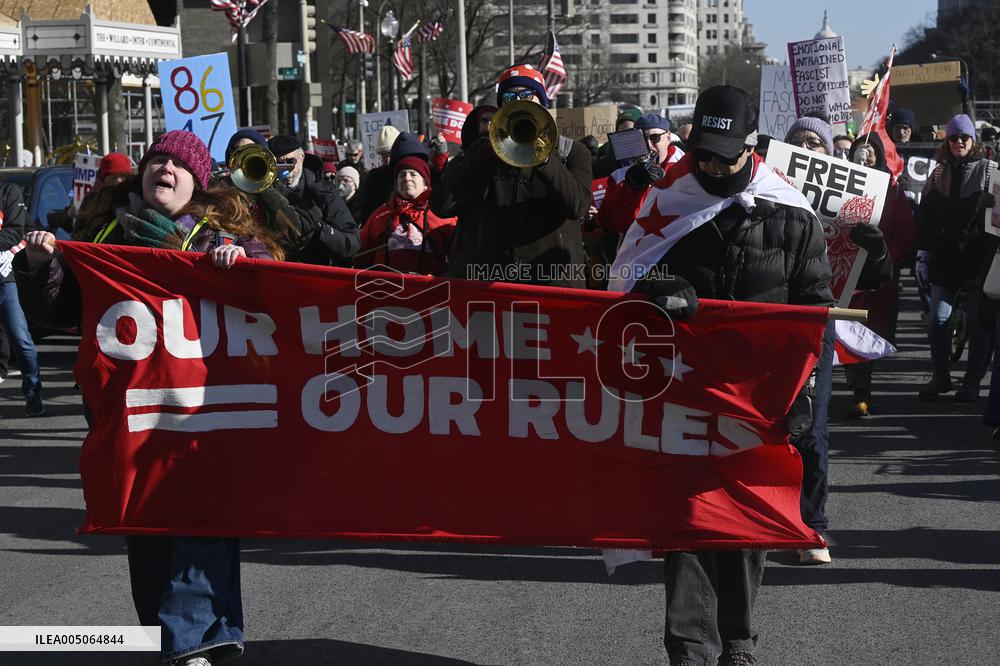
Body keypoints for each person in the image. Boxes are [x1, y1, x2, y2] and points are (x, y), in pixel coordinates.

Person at [15, 129, 282, 666]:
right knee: (147, 533)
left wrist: (242, 263)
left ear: (198, 183)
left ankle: (191, 642)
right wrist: (42, 269)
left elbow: (272, 289)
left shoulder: (215, 235)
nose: (165, 169)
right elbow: (64, 310)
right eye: (157, 160)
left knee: (202, 518)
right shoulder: (108, 235)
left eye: (178, 165)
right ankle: (189, 638)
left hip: (203, 410)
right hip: (130, 413)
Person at [614, 85, 833, 666]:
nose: (709, 166)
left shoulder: (791, 212)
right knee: (686, 520)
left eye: (722, 155)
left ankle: (737, 638)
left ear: (750, 148)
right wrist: (662, 290)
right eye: (701, 154)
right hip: (683, 389)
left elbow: (815, 310)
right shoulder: (668, 201)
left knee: (742, 523)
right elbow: (624, 286)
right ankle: (688, 647)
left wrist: (804, 390)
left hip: (760, 393)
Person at [431, 63, 592, 288]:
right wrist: (489, 152)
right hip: (497, 285)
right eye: (509, 96)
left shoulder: (573, 153)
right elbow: (445, 204)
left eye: (527, 94)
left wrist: (545, 157)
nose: (518, 101)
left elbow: (577, 206)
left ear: (542, 102)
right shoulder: (482, 152)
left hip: (554, 285)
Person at [915, 113, 995, 401]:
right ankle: (941, 377)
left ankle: (972, 383)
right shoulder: (937, 174)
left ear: (972, 140)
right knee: (937, 320)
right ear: (946, 141)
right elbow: (924, 217)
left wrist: (991, 204)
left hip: (977, 262)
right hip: (945, 260)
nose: (958, 141)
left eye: (964, 137)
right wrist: (922, 253)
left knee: (977, 323)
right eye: (953, 137)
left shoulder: (988, 170)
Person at [845, 133, 916, 417]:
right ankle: (855, 381)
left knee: (867, 333)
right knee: (845, 332)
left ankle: (862, 391)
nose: (865, 156)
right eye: (860, 151)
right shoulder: (844, 185)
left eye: (870, 151)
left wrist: (885, 257)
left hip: (876, 279)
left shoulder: (893, 190)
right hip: (845, 275)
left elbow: (906, 232)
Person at [356, 134, 456, 276]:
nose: (407, 178)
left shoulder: (443, 217)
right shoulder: (379, 216)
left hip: (432, 294)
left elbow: (459, 261)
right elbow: (360, 258)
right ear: (396, 183)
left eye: (413, 174)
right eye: (402, 175)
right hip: (386, 294)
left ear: (425, 183)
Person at [224, 129, 322, 259]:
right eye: (237, 150)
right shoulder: (221, 190)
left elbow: (296, 236)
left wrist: (263, 186)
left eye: (252, 150)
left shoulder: (280, 191)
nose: (244, 156)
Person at [267, 133, 359, 267]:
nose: (285, 169)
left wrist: (319, 228)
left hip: (314, 274)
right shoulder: (263, 193)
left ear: (302, 157)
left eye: (290, 162)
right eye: (278, 163)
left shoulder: (324, 193)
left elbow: (351, 243)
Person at [598, 113, 684, 236]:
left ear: (668, 138)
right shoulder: (620, 176)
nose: (648, 145)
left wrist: (666, 186)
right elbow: (610, 223)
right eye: (642, 139)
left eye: (655, 138)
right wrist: (631, 188)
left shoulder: (685, 167)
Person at [0, 181, 44, 416]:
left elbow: (14, 232)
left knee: (21, 338)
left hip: (6, 278)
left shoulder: (8, 191)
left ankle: (33, 393)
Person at [49, 151, 135, 235]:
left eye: (123, 177)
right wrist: (69, 216)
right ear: (103, 179)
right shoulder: (91, 201)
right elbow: (77, 233)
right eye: (113, 178)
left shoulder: (135, 200)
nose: (118, 181)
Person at [354, 125, 401, 224]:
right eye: (384, 155)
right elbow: (364, 204)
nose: (387, 159)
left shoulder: (408, 173)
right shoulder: (374, 176)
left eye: (389, 154)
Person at [593, 107, 644, 178]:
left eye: (631, 132)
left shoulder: (651, 156)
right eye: (622, 134)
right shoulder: (607, 153)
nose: (627, 138)